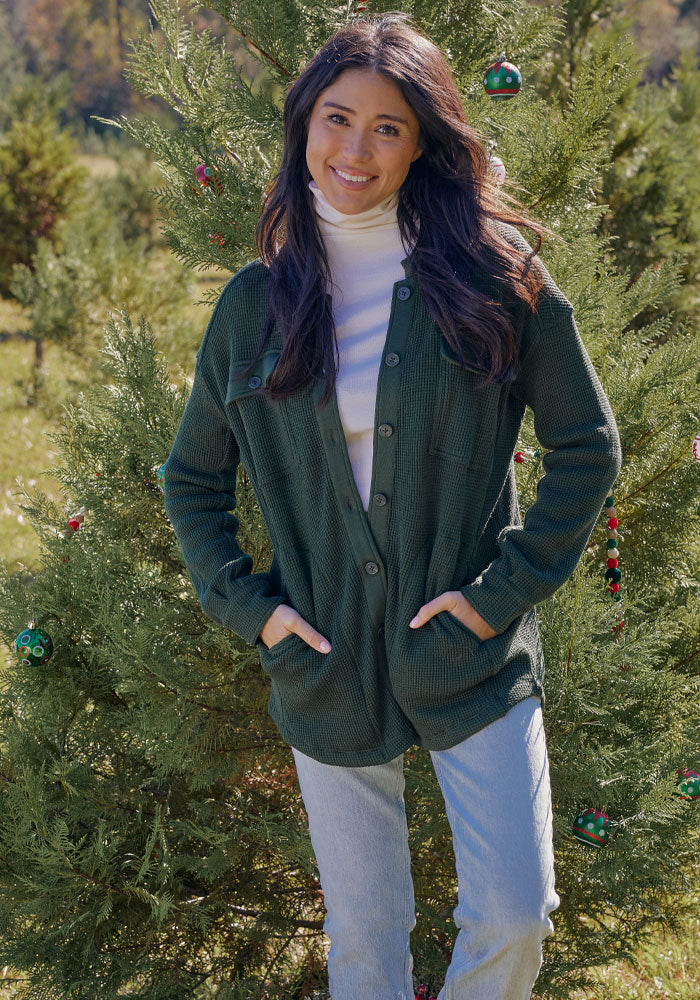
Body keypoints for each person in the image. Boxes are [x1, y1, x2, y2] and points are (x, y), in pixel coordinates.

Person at [163, 12, 623, 1000]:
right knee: (365, 946)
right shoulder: (255, 303)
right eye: (337, 119)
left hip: (469, 655)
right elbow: (191, 476)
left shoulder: (497, 280)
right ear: (303, 128)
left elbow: (586, 447)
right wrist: (253, 608)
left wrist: (502, 591)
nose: (355, 150)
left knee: (512, 913)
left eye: (387, 127)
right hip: (321, 656)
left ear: (423, 145)